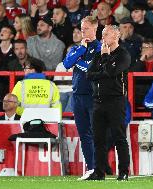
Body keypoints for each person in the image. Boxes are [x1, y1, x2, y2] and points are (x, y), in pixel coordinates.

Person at [86, 25, 130, 181]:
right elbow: (89, 75)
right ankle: (99, 171)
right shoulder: (99, 55)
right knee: (98, 139)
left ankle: (123, 172)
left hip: (115, 101)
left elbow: (111, 72)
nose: (103, 37)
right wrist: (102, 70)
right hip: (98, 101)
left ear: (116, 36)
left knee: (119, 137)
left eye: (106, 34)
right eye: (102, 34)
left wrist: (105, 58)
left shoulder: (123, 55)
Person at [63, 16, 101, 180]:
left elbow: (91, 68)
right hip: (77, 96)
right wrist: (80, 51)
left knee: (96, 133)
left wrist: (77, 61)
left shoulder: (100, 48)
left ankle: (99, 168)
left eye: (86, 28)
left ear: (95, 28)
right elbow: (66, 63)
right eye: (81, 28)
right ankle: (91, 169)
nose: (82, 31)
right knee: (84, 133)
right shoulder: (78, 48)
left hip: (93, 96)